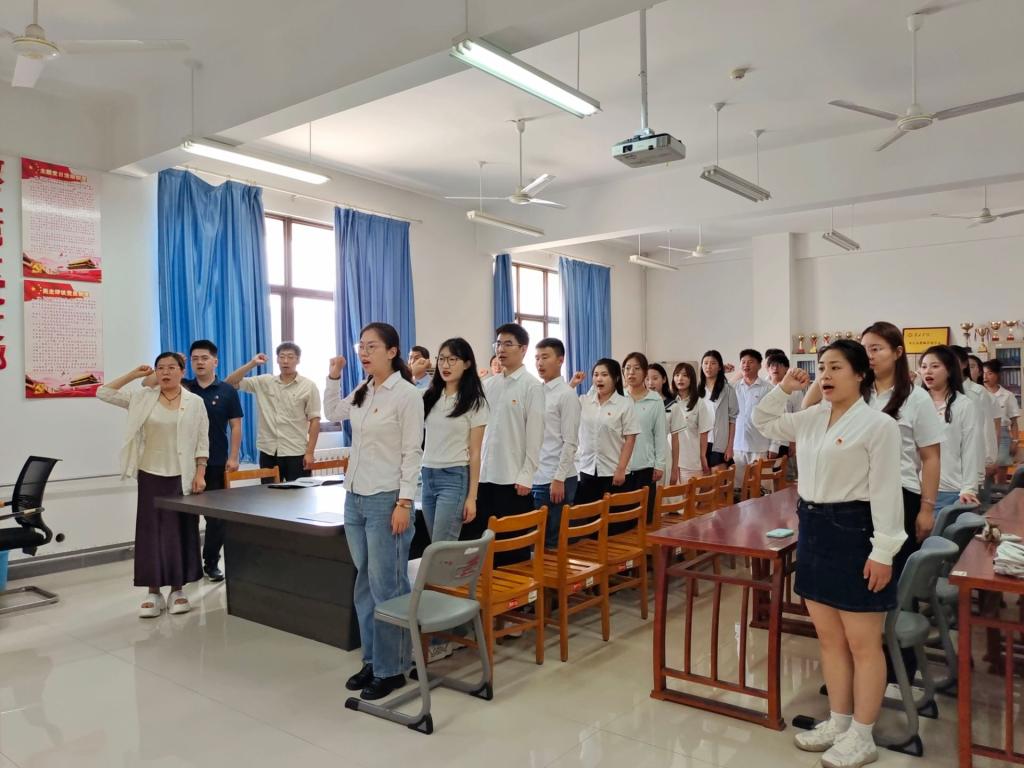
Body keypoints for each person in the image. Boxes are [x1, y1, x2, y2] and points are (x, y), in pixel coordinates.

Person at [753, 341, 904, 768]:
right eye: (822, 368)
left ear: (860, 374)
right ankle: (839, 722)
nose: (826, 375)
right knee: (830, 639)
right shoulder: (813, 417)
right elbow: (762, 421)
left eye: (836, 367)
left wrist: (884, 551)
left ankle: (863, 734)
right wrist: (784, 386)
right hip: (814, 528)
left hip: (856, 532)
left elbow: (886, 493)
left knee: (863, 643)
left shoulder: (878, 425)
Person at [324, 323, 424, 701]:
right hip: (355, 496)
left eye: (372, 347)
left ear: (392, 351)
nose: (364, 353)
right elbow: (333, 411)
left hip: (387, 499)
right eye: (361, 347)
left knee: (388, 587)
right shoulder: (364, 389)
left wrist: (404, 502)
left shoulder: (407, 395)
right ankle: (373, 659)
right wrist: (333, 376)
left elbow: (412, 452)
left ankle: (393, 668)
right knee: (365, 584)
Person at [98, 354, 210, 617]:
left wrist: (200, 472)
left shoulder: (195, 402)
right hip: (150, 473)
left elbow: (202, 440)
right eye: (160, 368)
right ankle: (153, 592)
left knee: (180, 531)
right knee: (151, 533)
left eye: (171, 368)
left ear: (182, 371)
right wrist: (134, 374)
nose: (165, 372)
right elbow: (103, 392)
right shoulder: (142, 398)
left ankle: (178, 590)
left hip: (181, 476)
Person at [462, 323, 545, 546]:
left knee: (511, 547)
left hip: (513, 480)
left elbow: (535, 435)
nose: (501, 349)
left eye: (508, 344)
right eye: (498, 344)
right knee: (481, 544)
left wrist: (527, 474)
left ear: (523, 349)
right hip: (483, 477)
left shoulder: (532, 387)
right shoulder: (488, 385)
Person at [420, 338, 488, 543]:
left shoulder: (475, 402)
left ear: (467, 364)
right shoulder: (428, 397)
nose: (445, 365)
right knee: (436, 543)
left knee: (442, 546)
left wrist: (472, 497)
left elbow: (475, 452)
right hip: (427, 474)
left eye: (452, 359)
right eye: (441, 359)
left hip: (454, 477)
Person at [227, 342, 321, 482]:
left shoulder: (308, 386)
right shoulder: (265, 381)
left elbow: (315, 421)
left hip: (296, 452)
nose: (285, 361)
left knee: (299, 493)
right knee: (268, 493)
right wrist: (252, 364)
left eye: (290, 357)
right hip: (268, 451)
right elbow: (229, 383)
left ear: (298, 360)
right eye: (282, 357)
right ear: (277, 359)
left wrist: (310, 452)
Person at [532, 338, 581, 549]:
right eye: (536, 358)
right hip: (536, 475)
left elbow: (570, 442)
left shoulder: (567, 395)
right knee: (535, 541)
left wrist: (559, 478)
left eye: (545, 357)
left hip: (556, 478)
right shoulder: (536, 391)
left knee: (552, 543)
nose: (539, 363)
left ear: (560, 360)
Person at [920, 346, 981, 510]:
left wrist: (969, 488)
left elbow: (970, 449)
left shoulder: (964, 405)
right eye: (924, 367)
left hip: (947, 490)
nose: (928, 371)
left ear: (949, 370)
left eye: (935, 366)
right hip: (914, 487)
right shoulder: (914, 402)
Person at [575, 358, 639, 504]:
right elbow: (561, 406)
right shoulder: (584, 401)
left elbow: (630, 439)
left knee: (614, 516)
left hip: (613, 471)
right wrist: (573, 384)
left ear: (616, 378)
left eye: (604, 375)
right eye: (596, 375)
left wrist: (621, 469)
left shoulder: (625, 404)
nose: (599, 379)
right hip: (587, 469)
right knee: (589, 515)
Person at [623, 352, 669, 519]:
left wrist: (659, 465)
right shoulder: (618, 397)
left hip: (645, 466)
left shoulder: (655, 400)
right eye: (627, 368)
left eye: (636, 368)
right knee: (623, 517)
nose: (631, 372)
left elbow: (660, 435)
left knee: (645, 518)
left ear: (644, 372)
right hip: (620, 467)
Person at [951, 345, 999, 493]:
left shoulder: (977, 392)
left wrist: (989, 459)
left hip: (975, 459)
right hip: (950, 464)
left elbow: (986, 427)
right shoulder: (942, 391)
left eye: (953, 361)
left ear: (964, 364)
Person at [732, 349, 773, 489]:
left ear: (759, 365)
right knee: (738, 490)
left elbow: (776, 417)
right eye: (743, 362)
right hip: (737, 447)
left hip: (760, 447)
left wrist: (774, 445)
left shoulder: (768, 389)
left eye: (750, 362)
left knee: (763, 489)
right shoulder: (733, 388)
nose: (746, 365)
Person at [670, 362, 712, 481]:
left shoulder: (699, 403)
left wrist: (703, 456)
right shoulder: (668, 402)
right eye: (677, 375)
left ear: (691, 379)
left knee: (690, 492)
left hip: (690, 460)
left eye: (685, 375)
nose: (680, 378)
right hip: (669, 460)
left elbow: (704, 433)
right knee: (668, 493)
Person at [697, 350, 738, 468]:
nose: (708, 366)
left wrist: (730, 447)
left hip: (719, 443)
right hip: (699, 443)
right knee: (702, 478)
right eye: (705, 363)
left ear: (720, 367)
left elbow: (732, 420)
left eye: (713, 363)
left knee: (718, 477)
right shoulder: (696, 390)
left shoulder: (728, 390)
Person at [982, 359, 1020, 483]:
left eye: (989, 373)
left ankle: (1000, 493)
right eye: (983, 373)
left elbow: (1014, 422)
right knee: (985, 472)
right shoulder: (979, 393)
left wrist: (1015, 441)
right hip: (983, 433)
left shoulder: (1008, 395)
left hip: (1003, 435)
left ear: (997, 375)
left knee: (1000, 472)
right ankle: (988, 493)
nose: (985, 377)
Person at [764, 351, 802, 462]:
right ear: (767, 368)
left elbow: (797, 417)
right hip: (761, 442)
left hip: (784, 441)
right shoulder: (762, 387)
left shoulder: (795, 390)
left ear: (786, 368)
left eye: (779, 365)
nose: (775, 368)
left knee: (779, 470)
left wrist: (793, 442)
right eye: (772, 365)